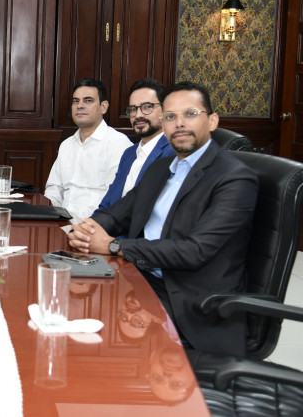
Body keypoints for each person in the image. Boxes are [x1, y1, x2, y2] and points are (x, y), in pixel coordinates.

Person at [68, 81, 259, 356]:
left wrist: (113, 246)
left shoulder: (234, 178)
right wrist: (88, 229)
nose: (178, 124)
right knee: (67, 299)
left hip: (191, 302)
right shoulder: (161, 167)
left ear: (213, 120)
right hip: (142, 278)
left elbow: (195, 251)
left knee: (95, 344)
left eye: (190, 114)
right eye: (170, 116)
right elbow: (119, 212)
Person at [44, 78, 131, 218]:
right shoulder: (66, 145)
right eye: (75, 101)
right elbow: (54, 190)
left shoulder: (118, 143)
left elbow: (116, 197)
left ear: (104, 107)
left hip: (96, 227)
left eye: (88, 100)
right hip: (61, 223)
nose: (80, 106)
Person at [98, 78, 175, 210]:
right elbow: (108, 202)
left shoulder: (173, 153)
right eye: (133, 109)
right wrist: (90, 226)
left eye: (147, 107)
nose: (138, 115)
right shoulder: (129, 153)